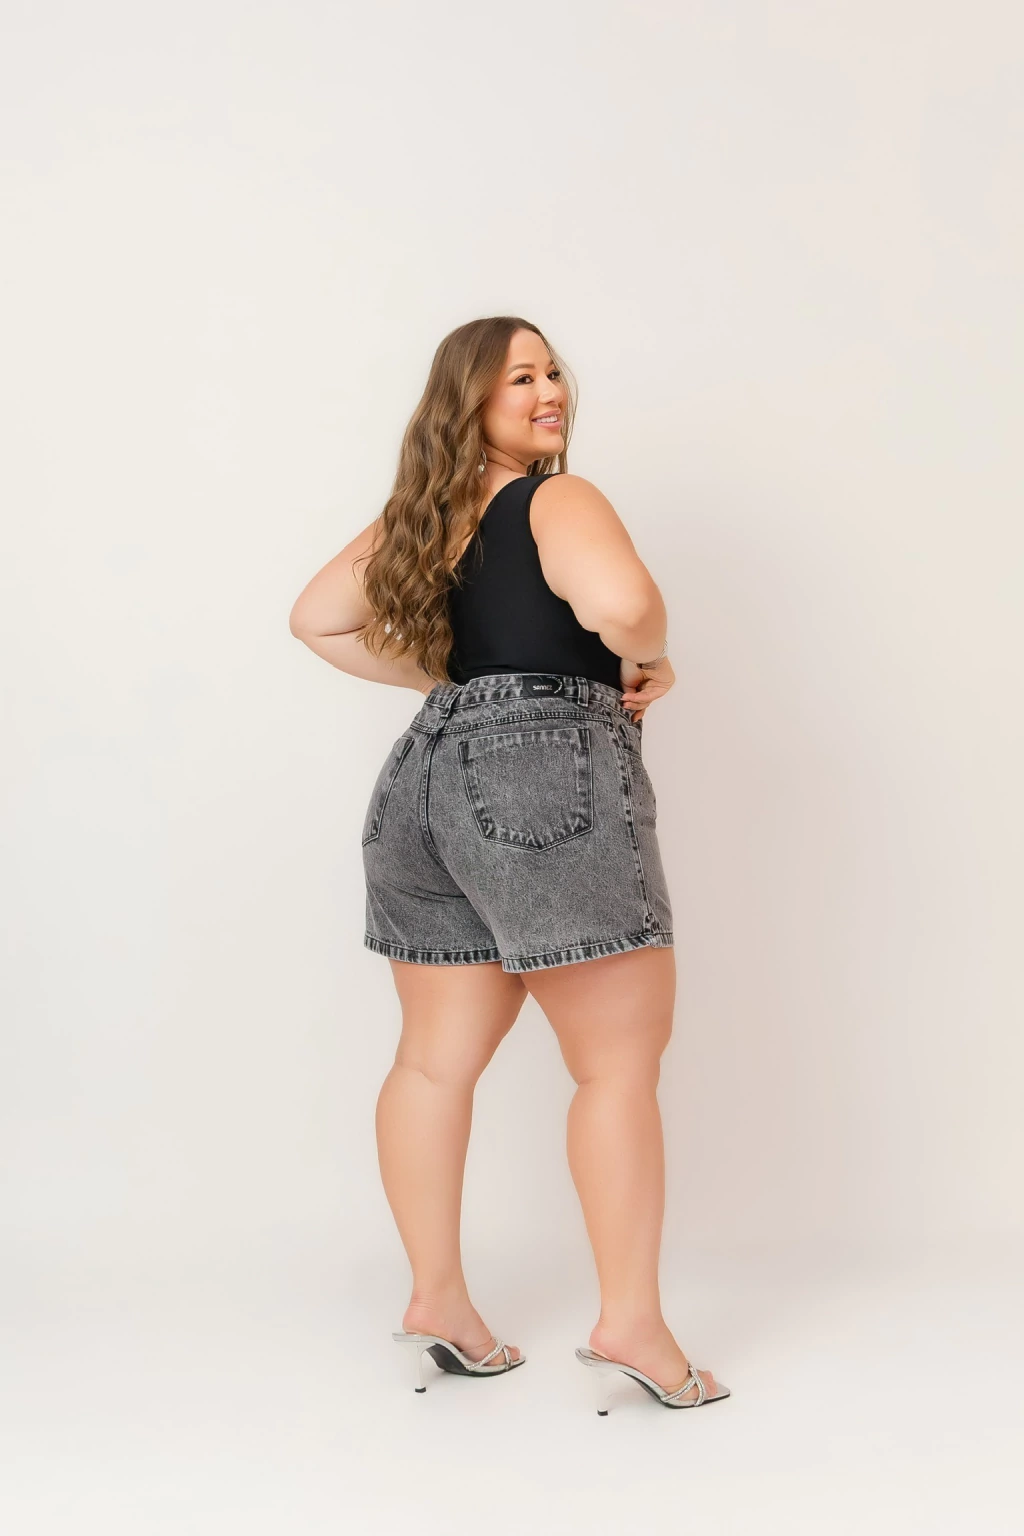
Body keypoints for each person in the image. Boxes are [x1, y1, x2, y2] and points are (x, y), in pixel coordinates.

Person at [288, 317, 729, 1413]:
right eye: (519, 377)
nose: (548, 392)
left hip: (423, 782)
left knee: (433, 1064)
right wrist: (648, 657)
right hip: (544, 768)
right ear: (471, 402)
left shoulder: (425, 517)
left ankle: (439, 1302)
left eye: (552, 372)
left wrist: (451, 680)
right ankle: (634, 1329)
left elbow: (317, 620)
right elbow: (623, 606)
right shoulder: (557, 498)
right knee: (615, 1066)